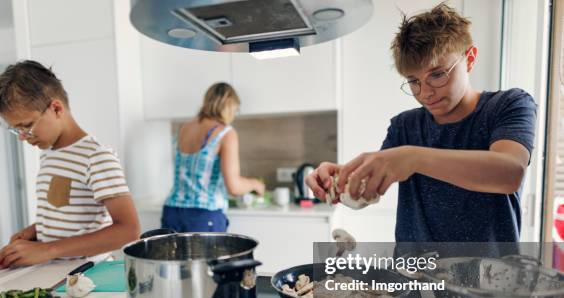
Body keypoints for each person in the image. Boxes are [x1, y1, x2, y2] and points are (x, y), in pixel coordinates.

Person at [306, 3, 537, 242]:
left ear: (469, 59)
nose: (425, 93)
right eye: (414, 81)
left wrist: (413, 158)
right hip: (412, 274)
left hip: (490, 275)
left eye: (437, 75)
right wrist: (341, 181)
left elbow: (510, 173)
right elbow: (368, 190)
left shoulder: (509, 104)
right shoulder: (405, 126)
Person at [0, 60, 140, 268]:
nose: (22, 137)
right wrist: (36, 231)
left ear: (56, 108)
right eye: (16, 130)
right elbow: (70, 214)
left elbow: (128, 230)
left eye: (26, 126)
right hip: (56, 273)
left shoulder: (96, 157)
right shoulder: (49, 154)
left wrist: (47, 249)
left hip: (89, 276)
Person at [162, 82, 265, 232]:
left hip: (172, 212)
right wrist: (256, 184)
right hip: (204, 216)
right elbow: (234, 187)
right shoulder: (226, 133)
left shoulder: (184, 128)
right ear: (229, 106)